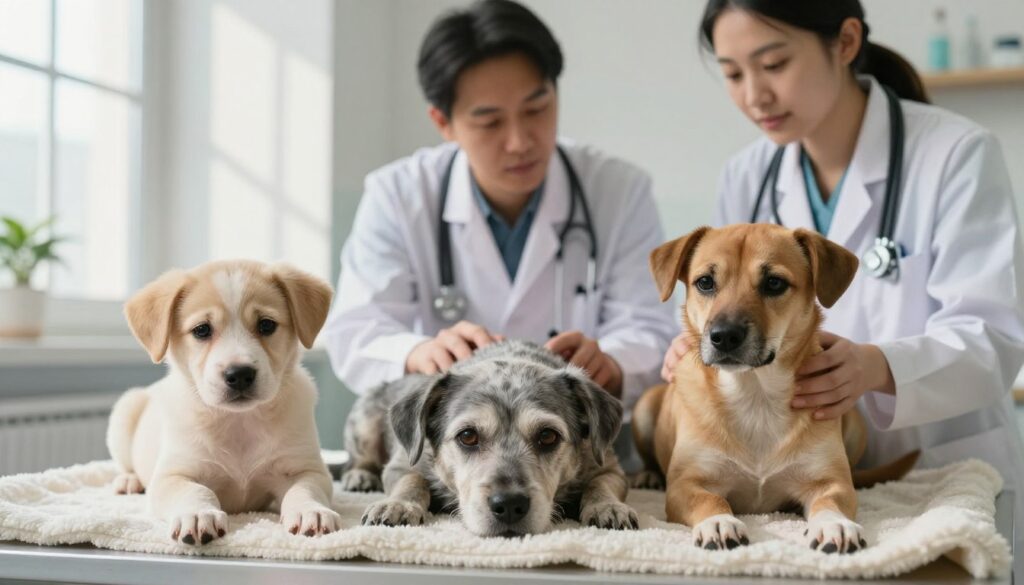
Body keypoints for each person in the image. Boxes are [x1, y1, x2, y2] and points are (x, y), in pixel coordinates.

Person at [663, 0, 1024, 566]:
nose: (754, 94)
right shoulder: (748, 173)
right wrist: (689, 343)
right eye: (733, 74)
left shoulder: (956, 153)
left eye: (774, 63)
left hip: (937, 468)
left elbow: (993, 335)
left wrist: (876, 367)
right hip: (784, 488)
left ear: (846, 42)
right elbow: (721, 291)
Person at [324, 0, 674, 413]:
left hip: (580, 445)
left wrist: (613, 360)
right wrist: (418, 352)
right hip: (454, 453)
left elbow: (650, 328)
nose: (520, 141)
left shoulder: (618, 189)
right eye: (490, 121)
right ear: (443, 123)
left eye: (537, 108)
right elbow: (356, 331)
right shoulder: (399, 195)